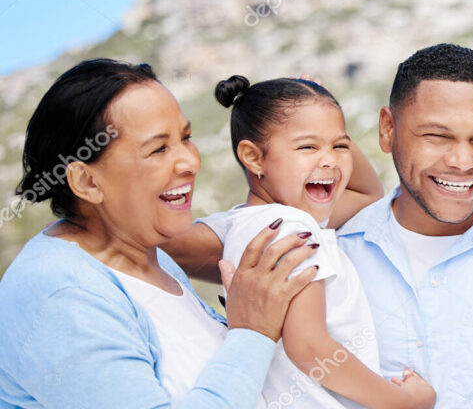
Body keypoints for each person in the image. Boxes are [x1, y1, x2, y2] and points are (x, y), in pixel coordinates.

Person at [191, 43, 473, 408]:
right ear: (387, 130)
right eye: (437, 137)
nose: (462, 161)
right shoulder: (321, 239)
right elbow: (169, 241)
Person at [0, 59, 316, 407]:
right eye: (158, 149)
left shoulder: (150, 256)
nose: (191, 162)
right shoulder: (60, 296)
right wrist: (252, 334)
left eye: (186, 138)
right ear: (87, 181)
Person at [209, 75, 435, 408]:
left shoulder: (251, 223)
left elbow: (366, 194)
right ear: (253, 157)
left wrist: (318, 110)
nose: (329, 160)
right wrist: (400, 402)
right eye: (308, 147)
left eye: (340, 146)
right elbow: (308, 346)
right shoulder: (290, 226)